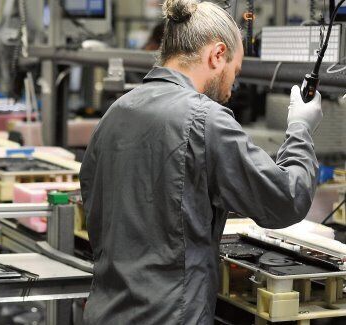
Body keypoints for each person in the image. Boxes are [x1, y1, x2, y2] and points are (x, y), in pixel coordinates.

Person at [79, 0, 323, 324]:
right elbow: (286, 198)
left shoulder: (115, 113)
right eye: (233, 75)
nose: (229, 92)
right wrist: (300, 128)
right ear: (217, 55)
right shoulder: (205, 119)